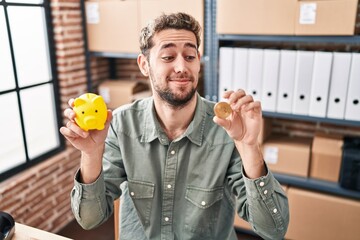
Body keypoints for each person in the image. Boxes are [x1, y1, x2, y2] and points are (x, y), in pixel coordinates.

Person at [60, 12, 289, 240]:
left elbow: (273, 230)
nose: (181, 67)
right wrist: (90, 154)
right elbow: (90, 220)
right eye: (168, 57)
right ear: (144, 65)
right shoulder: (121, 125)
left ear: (198, 61)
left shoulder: (228, 128)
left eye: (190, 56)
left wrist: (249, 147)